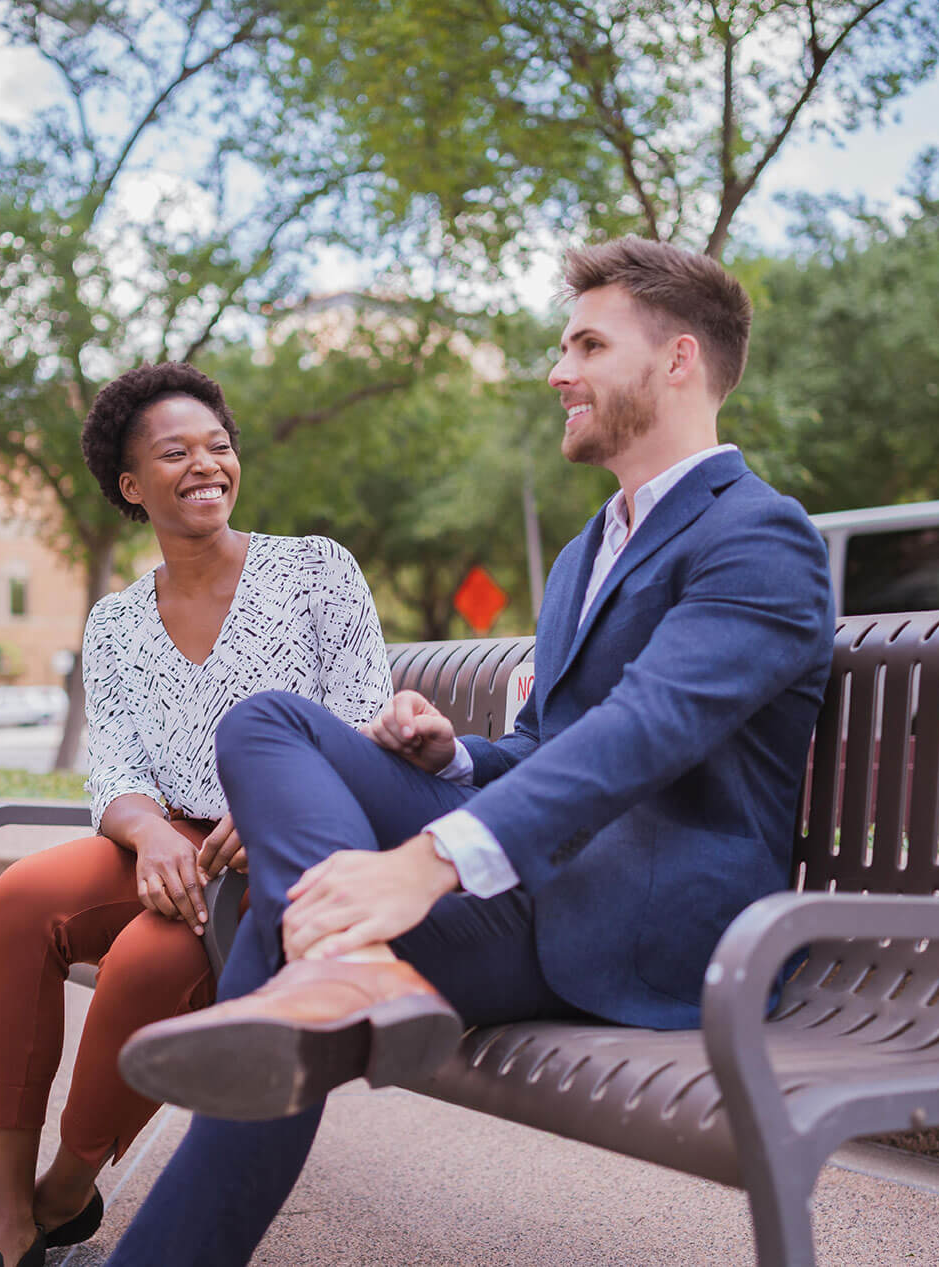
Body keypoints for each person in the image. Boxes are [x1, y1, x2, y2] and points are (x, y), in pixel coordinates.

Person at [107, 238, 836, 1265]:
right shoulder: (594, 547)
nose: (557, 372)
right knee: (266, 720)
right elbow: (550, 748)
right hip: (540, 883)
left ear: (676, 361)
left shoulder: (758, 539)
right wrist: (452, 759)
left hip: (646, 926)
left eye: (586, 344)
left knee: (287, 930)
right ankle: (353, 966)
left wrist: (429, 858)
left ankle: (334, 973)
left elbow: (641, 737)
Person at [0, 363, 394, 1267]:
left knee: (142, 963)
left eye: (218, 446)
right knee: (18, 898)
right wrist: (150, 830)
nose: (206, 464)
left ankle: (62, 1196)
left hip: (273, 857)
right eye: (176, 453)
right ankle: (6, 1219)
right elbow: (116, 759)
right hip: (160, 840)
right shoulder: (115, 620)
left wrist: (289, 793)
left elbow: (367, 718)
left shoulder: (316, 570)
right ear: (133, 486)